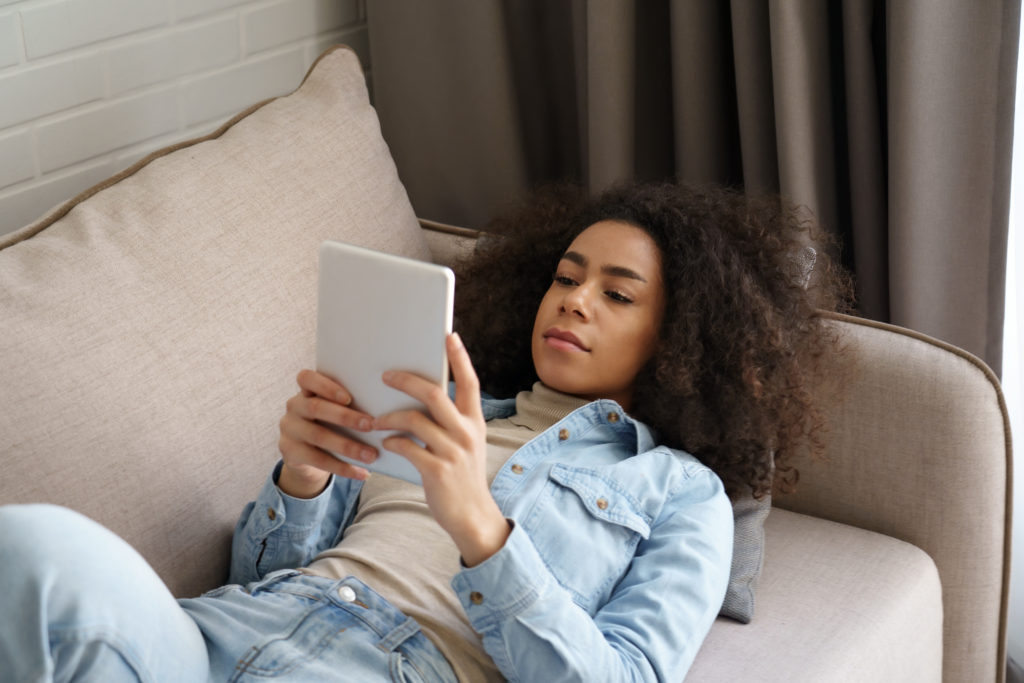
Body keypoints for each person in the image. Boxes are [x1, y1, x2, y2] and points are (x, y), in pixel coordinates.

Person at [0, 181, 851, 682]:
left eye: (617, 294)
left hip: (389, 668)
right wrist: (303, 474)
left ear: (678, 337)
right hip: (221, 637)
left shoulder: (681, 493)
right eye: (566, 276)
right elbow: (265, 573)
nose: (575, 300)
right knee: (33, 546)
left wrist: (481, 526)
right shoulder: (442, 407)